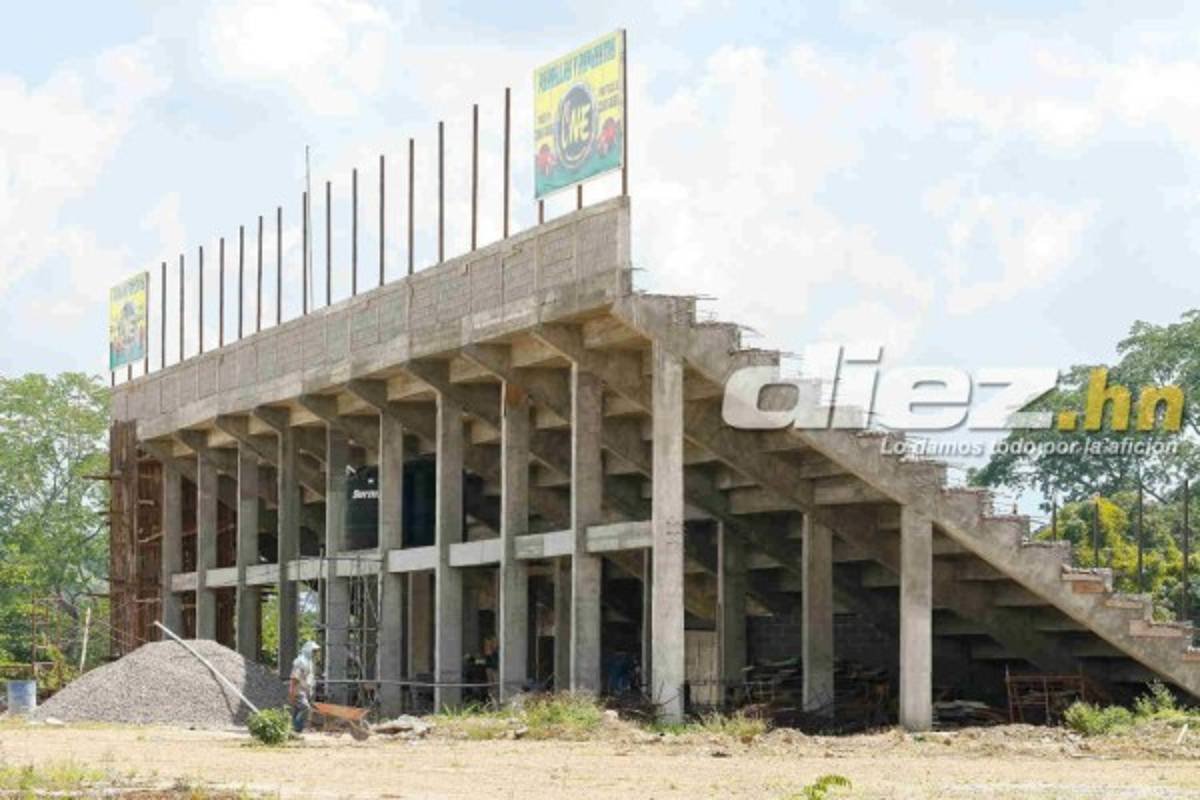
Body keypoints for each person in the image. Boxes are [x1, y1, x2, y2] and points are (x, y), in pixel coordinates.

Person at [289, 641, 320, 734]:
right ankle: (297, 728)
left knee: (297, 710)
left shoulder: (309, 662)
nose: (315, 653)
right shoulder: (301, 661)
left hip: (305, 690)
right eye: (314, 651)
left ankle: (294, 730)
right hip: (298, 689)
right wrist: (292, 691)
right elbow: (295, 677)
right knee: (305, 708)